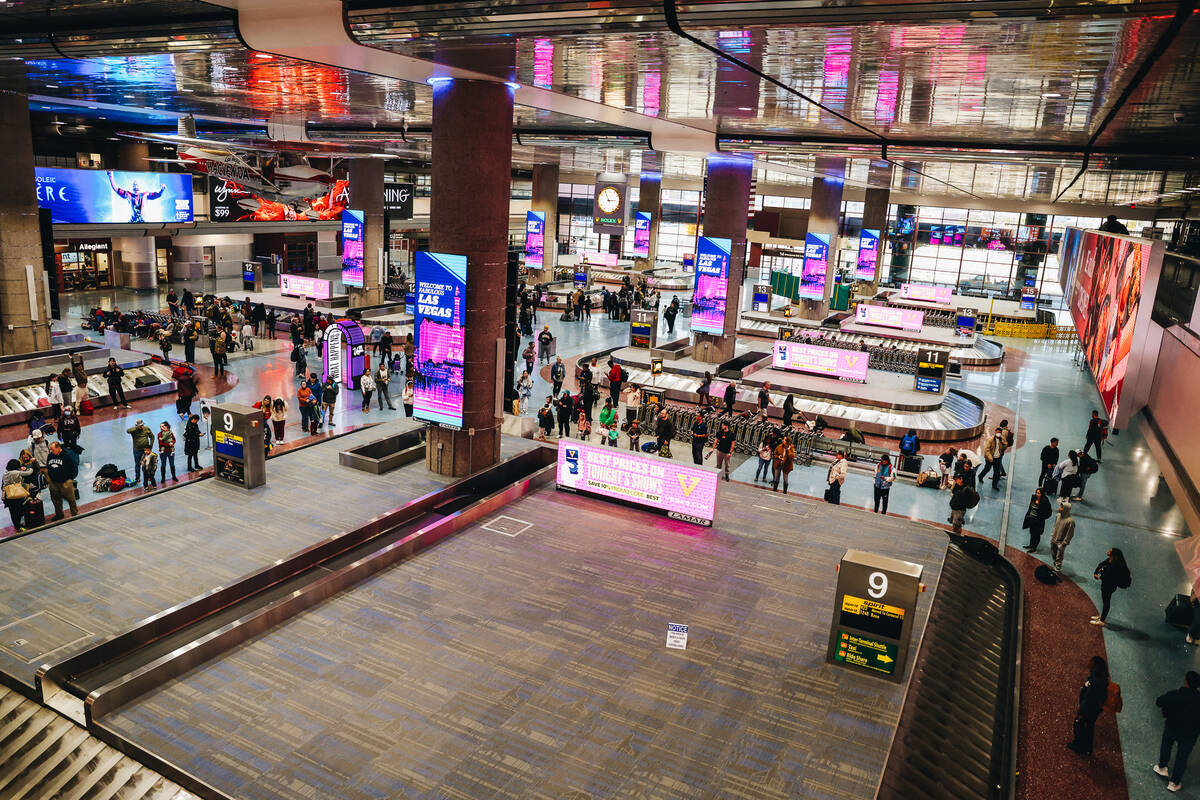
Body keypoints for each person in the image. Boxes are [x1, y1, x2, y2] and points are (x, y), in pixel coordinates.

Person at [1155, 671, 1200, 792]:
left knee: (1166, 744)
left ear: (1186, 682)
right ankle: (1174, 783)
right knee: (1182, 757)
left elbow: (1159, 701)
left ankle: (1162, 767)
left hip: (1172, 726)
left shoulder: (1176, 694)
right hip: (1190, 734)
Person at [1068, 656, 1110, 756]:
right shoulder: (1100, 678)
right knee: (1089, 726)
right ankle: (1087, 747)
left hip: (1089, 710)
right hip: (1094, 709)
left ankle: (1079, 746)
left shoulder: (1095, 683)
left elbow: (1088, 700)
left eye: (1091, 662)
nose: (1088, 663)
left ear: (1095, 666)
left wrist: (1081, 713)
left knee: (1081, 725)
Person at [1092, 548, 1131, 626]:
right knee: (1105, 601)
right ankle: (1102, 616)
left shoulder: (1115, 565)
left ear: (1113, 554)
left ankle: (1102, 620)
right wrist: (1096, 572)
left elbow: (1108, 575)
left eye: (1110, 551)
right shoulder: (1109, 560)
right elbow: (1101, 564)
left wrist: (1099, 576)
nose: (1108, 551)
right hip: (1106, 584)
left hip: (1109, 586)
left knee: (1106, 602)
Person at [44, 441, 78, 520]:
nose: (51, 451)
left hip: (65, 482)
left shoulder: (67, 456)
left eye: (53, 449)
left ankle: (74, 514)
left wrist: (70, 479)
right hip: (53, 482)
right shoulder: (50, 456)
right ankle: (59, 514)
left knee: (71, 499)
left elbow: (74, 469)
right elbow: (48, 466)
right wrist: (49, 479)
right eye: (51, 450)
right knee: (56, 500)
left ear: (58, 448)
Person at [3, 458, 34, 530]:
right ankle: (22, 526)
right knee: (20, 510)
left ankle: (17, 526)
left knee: (13, 512)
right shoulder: (15, 472)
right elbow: (29, 473)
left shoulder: (5, 473)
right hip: (17, 494)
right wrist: (30, 465)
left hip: (8, 496)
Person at [1021, 487, 1053, 551]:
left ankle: (1034, 547)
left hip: (1038, 521)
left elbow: (1049, 513)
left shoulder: (1045, 501)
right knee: (1032, 532)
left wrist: (1042, 517)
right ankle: (1030, 545)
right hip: (1031, 519)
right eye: (1036, 492)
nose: (1036, 494)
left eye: (1038, 493)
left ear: (1042, 494)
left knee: (1036, 534)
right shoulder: (1033, 498)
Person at [1050, 499, 1076, 573]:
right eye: (1060, 507)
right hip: (1054, 538)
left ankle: (1057, 568)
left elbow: (1070, 533)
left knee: (1059, 556)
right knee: (1053, 553)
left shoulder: (1070, 521)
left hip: (1061, 542)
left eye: (1061, 507)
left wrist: (1064, 543)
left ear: (1066, 509)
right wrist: (1052, 534)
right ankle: (1055, 564)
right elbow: (1055, 526)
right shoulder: (1058, 516)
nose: (1059, 508)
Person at [126, 420, 153, 485]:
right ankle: (137, 477)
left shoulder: (146, 428)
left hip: (145, 450)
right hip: (137, 450)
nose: (142, 426)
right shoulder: (134, 430)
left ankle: (149, 476)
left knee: (147, 463)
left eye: (142, 425)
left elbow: (152, 436)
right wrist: (136, 428)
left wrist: (150, 446)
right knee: (137, 464)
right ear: (137, 425)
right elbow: (128, 431)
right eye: (140, 425)